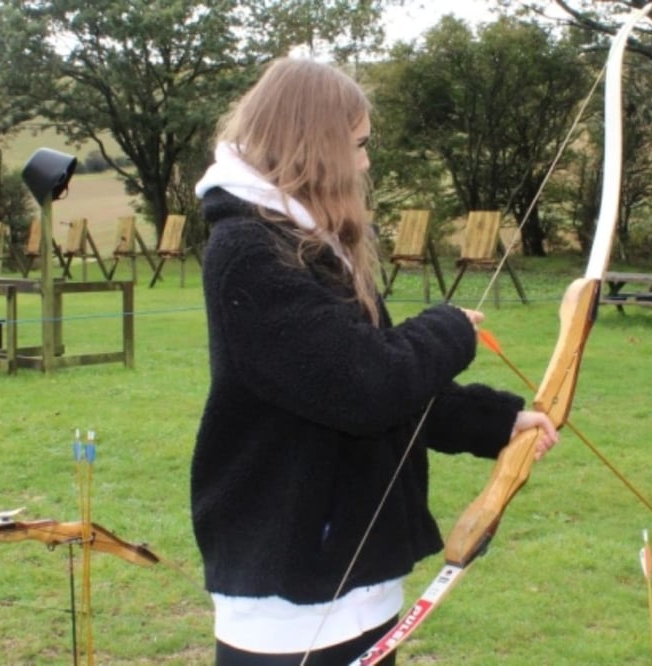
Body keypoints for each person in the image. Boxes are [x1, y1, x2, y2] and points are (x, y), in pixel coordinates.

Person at [190, 57, 558, 666]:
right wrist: (447, 328)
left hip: (349, 564)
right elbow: (365, 386)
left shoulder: (305, 240)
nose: (363, 162)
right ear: (315, 144)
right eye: (356, 146)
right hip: (294, 580)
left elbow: (376, 375)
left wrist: (494, 423)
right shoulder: (250, 252)